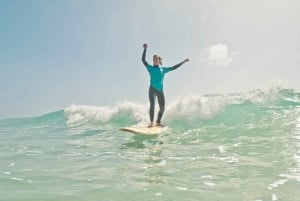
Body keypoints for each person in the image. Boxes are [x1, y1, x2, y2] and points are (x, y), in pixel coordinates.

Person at [142, 43, 189, 127]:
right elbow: (143, 60)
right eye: (153, 59)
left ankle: (158, 122)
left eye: (156, 59)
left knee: (162, 108)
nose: (155, 60)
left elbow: (174, 67)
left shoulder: (163, 69)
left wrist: (183, 62)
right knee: (152, 105)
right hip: (152, 89)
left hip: (160, 90)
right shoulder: (150, 68)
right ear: (153, 60)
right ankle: (151, 122)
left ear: (159, 60)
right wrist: (145, 49)